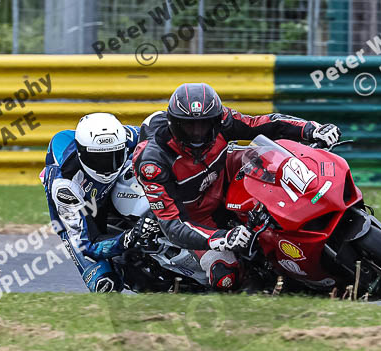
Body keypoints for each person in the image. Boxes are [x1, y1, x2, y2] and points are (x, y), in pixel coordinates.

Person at [132, 82, 341, 290]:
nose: (197, 133)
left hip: (229, 175)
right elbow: (172, 225)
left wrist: (311, 129)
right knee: (226, 278)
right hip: (198, 216)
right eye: (189, 126)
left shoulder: (223, 119)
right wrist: (219, 238)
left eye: (204, 125)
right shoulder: (153, 162)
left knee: (273, 161)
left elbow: (262, 123)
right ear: (174, 124)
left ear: (216, 120)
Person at [41, 112, 158, 293]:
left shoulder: (127, 138)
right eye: (98, 159)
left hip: (109, 185)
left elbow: (156, 138)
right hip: (82, 205)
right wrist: (131, 236)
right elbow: (87, 244)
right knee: (106, 285)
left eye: (115, 156)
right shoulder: (65, 186)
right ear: (82, 154)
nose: (108, 167)